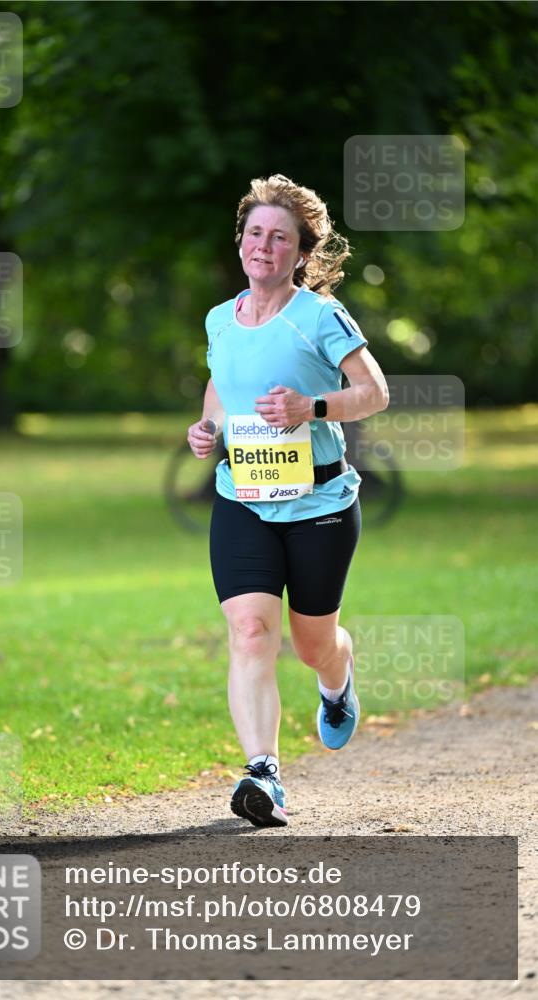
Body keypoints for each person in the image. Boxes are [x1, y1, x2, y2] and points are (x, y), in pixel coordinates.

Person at [187, 174, 389, 828]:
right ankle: (264, 775)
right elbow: (220, 388)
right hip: (242, 498)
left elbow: (374, 392)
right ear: (241, 240)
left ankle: (337, 676)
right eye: (254, 234)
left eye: (279, 238)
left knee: (310, 644)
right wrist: (207, 428)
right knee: (249, 631)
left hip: (319, 503)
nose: (262, 247)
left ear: (300, 252)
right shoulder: (221, 318)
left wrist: (313, 406)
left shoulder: (318, 318)